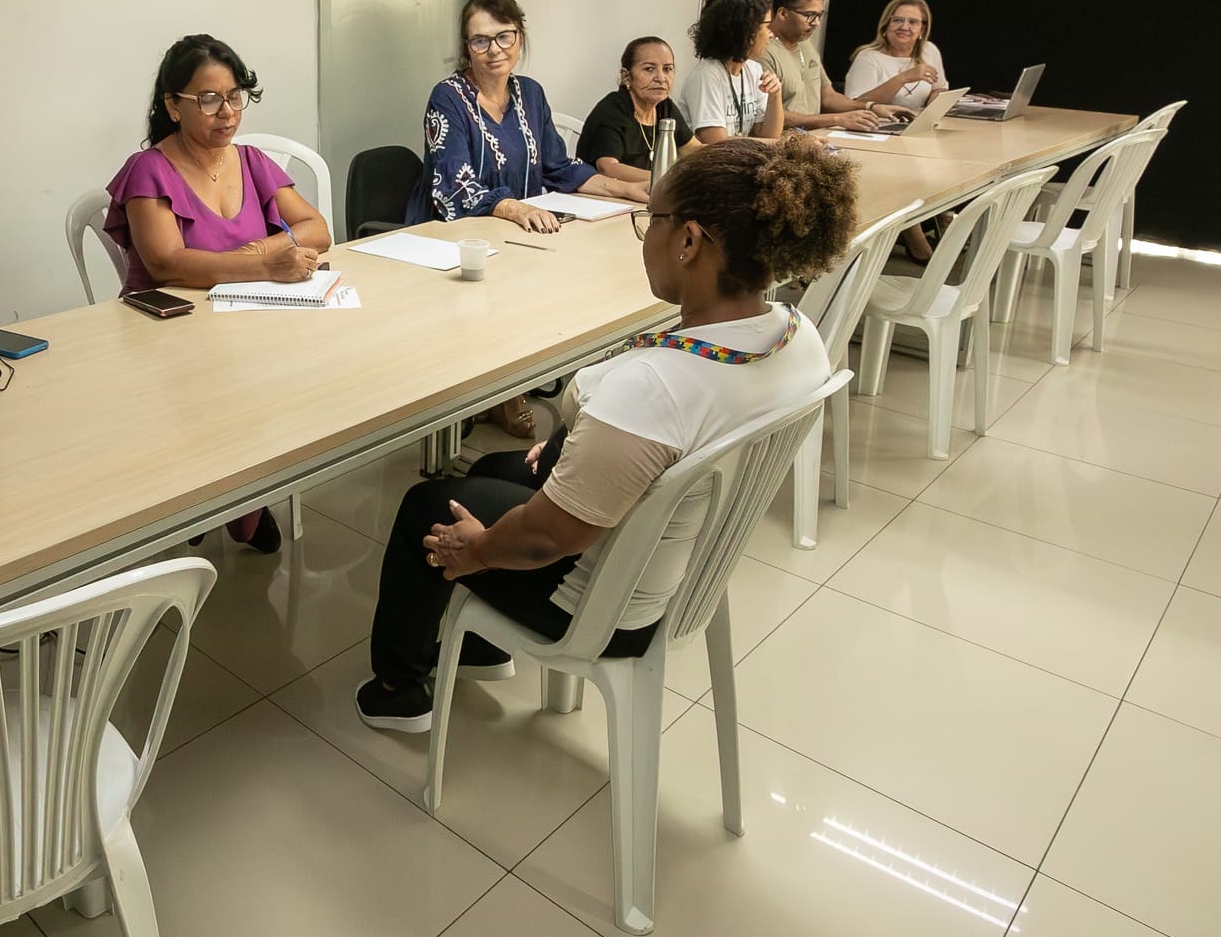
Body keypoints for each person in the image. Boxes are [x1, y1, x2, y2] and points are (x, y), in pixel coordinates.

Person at [354, 135, 853, 732]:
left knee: (426, 505)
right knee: (490, 471)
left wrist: (477, 552)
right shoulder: (797, 334)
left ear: (689, 240)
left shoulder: (653, 388)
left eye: (652, 221)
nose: (647, 236)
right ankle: (483, 651)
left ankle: (397, 690)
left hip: (603, 599)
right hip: (681, 554)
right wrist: (583, 446)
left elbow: (544, 540)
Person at [104, 33, 334, 554]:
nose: (227, 112)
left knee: (298, 381)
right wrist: (267, 263)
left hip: (249, 323)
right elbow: (167, 263)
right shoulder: (150, 170)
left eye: (235, 96)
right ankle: (221, 496)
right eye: (208, 100)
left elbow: (316, 229)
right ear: (172, 105)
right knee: (227, 389)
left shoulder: (251, 161)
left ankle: (239, 493)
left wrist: (261, 260)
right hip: (168, 333)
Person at [406, 0, 646, 234]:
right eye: (480, 41)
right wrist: (518, 210)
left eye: (504, 36)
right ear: (467, 48)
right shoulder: (447, 98)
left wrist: (627, 189)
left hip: (516, 233)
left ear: (520, 37)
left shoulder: (531, 93)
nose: (494, 49)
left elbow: (560, 168)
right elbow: (456, 187)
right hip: (451, 235)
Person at [760, 0, 898, 133]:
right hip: (786, 142)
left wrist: (871, 107)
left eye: (819, 15)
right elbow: (765, 116)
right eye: (809, 15)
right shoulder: (763, 51)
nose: (816, 23)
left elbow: (828, 97)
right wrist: (837, 119)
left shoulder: (805, 42)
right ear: (783, 13)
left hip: (816, 137)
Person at [672, 0, 784, 148]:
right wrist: (781, 144)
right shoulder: (707, 75)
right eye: (767, 26)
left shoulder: (754, 69)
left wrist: (775, 95)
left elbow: (768, 134)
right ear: (747, 32)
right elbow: (715, 142)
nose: (771, 35)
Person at [576, 36, 688, 184]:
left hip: (645, 196)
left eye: (667, 69)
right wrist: (666, 179)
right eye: (649, 69)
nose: (661, 78)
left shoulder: (664, 106)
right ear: (626, 76)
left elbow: (693, 150)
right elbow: (607, 167)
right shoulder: (612, 110)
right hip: (601, 198)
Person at [843, 0, 947, 112]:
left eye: (913, 22)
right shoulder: (867, 57)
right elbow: (855, 105)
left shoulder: (929, 50)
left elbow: (939, 89)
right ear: (886, 24)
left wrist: (929, 112)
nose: (904, 27)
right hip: (875, 125)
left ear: (922, 30)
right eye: (897, 20)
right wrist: (904, 78)